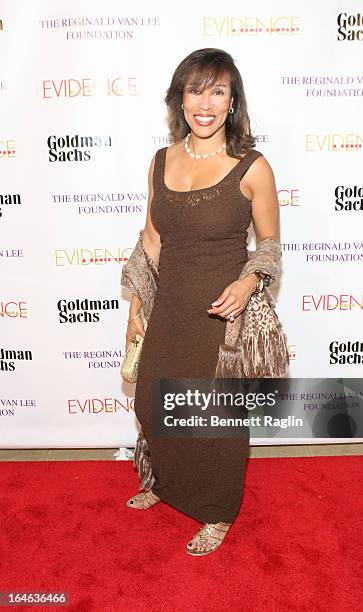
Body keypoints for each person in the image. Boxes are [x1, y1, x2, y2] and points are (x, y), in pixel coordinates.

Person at [122, 48, 282, 556]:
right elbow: (151, 240)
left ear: (233, 101)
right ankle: (163, 483)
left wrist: (249, 282)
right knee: (154, 400)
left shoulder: (252, 167)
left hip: (221, 316)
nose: (205, 103)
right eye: (196, 90)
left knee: (213, 422)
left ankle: (216, 510)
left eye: (218, 91)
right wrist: (135, 310)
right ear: (180, 99)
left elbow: (271, 247)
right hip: (168, 309)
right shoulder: (160, 161)